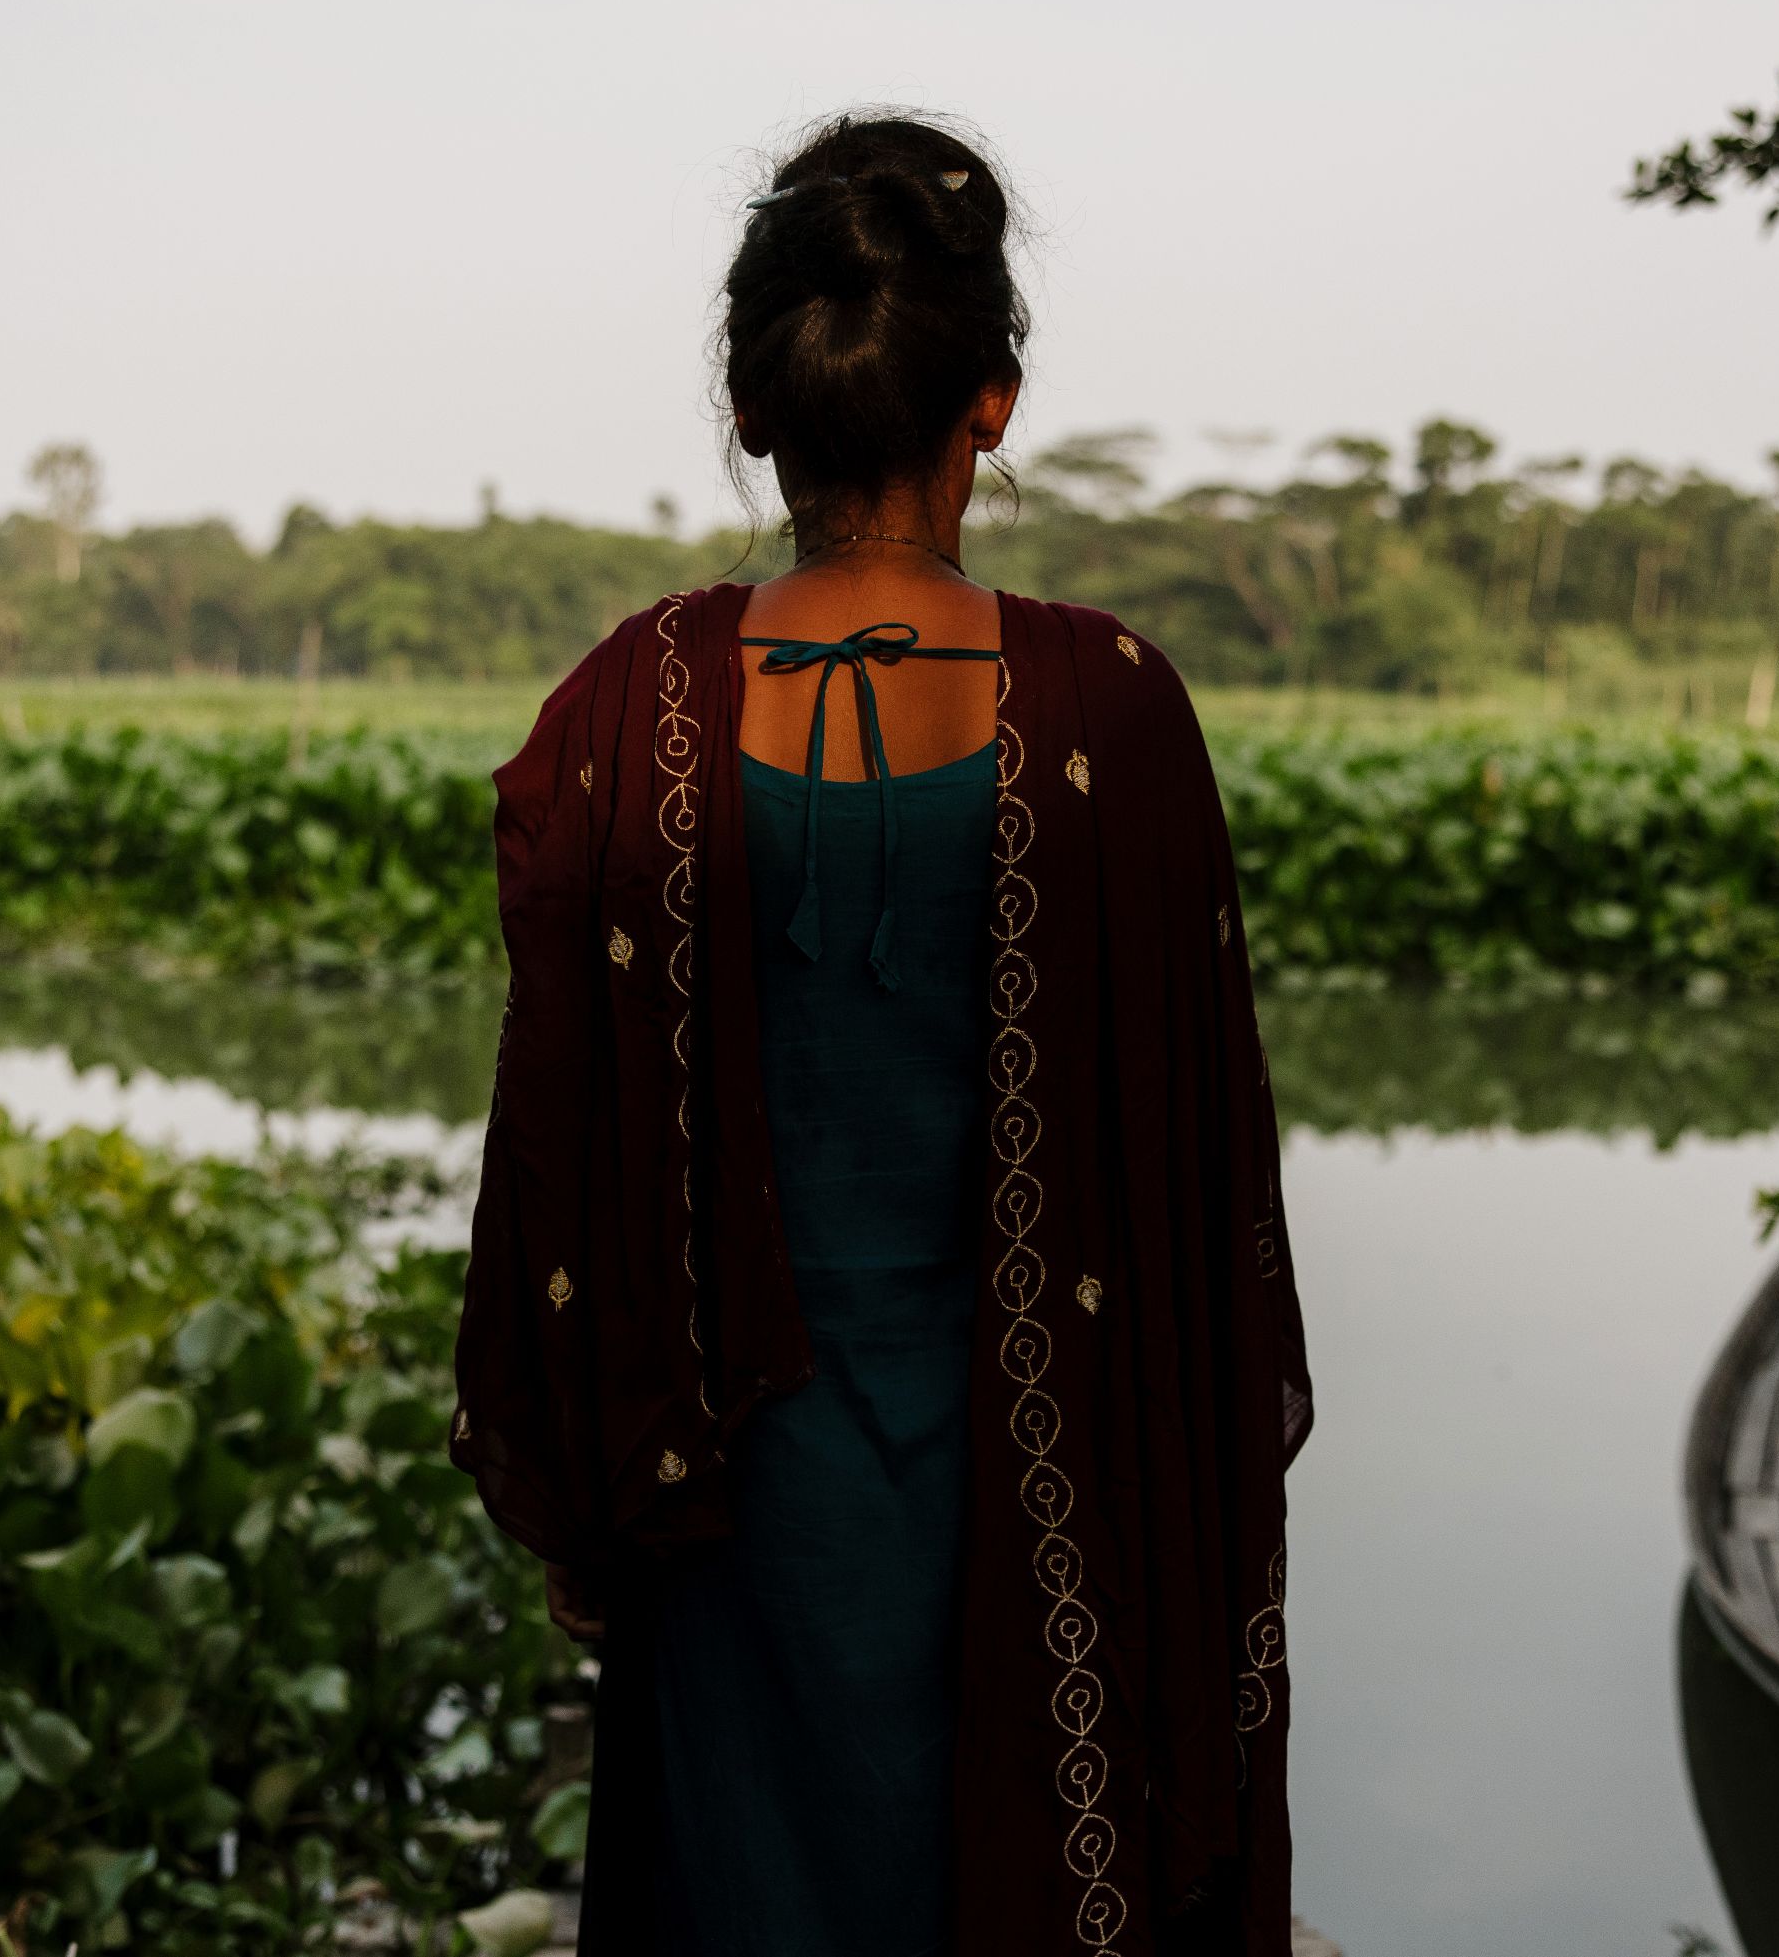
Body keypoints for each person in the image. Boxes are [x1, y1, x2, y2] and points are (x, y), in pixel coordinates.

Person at [452, 111, 1313, 1957]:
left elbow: (550, 1162)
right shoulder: (1117, 707)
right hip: (1056, 1506)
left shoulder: (628, 705)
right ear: (992, 402)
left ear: (754, 409)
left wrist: (574, 1501)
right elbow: (1207, 1188)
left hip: (725, 1520)